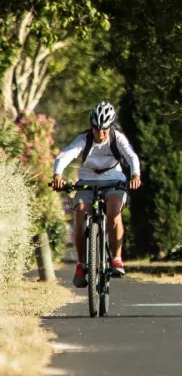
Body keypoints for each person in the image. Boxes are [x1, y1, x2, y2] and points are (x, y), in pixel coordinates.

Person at [52, 102, 142, 287]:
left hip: (114, 181)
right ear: (91, 126)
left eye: (104, 129)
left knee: (114, 211)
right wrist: (57, 176)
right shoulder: (84, 139)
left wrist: (135, 176)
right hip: (88, 181)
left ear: (110, 127)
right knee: (80, 214)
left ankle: (116, 259)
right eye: (96, 128)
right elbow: (65, 156)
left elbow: (131, 156)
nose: (100, 132)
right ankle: (81, 264)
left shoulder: (117, 138)